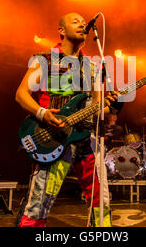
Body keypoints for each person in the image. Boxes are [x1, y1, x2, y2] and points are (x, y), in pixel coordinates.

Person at [15, 12, 121, 227]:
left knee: (102, 201)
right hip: (54, 137)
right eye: (76, 22)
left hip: (86, 138)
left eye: (84, 23)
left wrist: (112, 106)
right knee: (40, 202)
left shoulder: (92, 66)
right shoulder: (44, 59)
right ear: (61, 30)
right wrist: (42, 113)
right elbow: (21, 94)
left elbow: (97, 109)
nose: (82, 24)